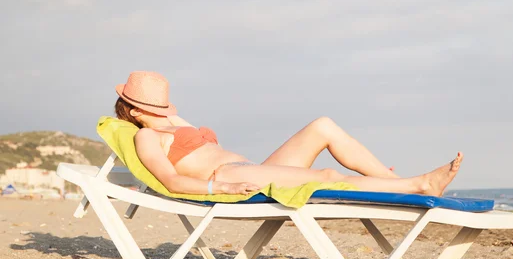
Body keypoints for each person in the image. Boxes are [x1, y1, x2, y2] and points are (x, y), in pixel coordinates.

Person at [114, 71, 463, 196]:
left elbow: (170, 116)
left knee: (322, 126)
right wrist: (220, 187)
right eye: (153, 109)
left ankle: (397, 183)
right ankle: (418, 185)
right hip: (229, 176)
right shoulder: (147, 137)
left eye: (164, 107)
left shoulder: (171, 123)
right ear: (133, 111)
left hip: (250, 166)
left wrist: (160, 110)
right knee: (325, 176)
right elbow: (172, 181)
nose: (164, 113)